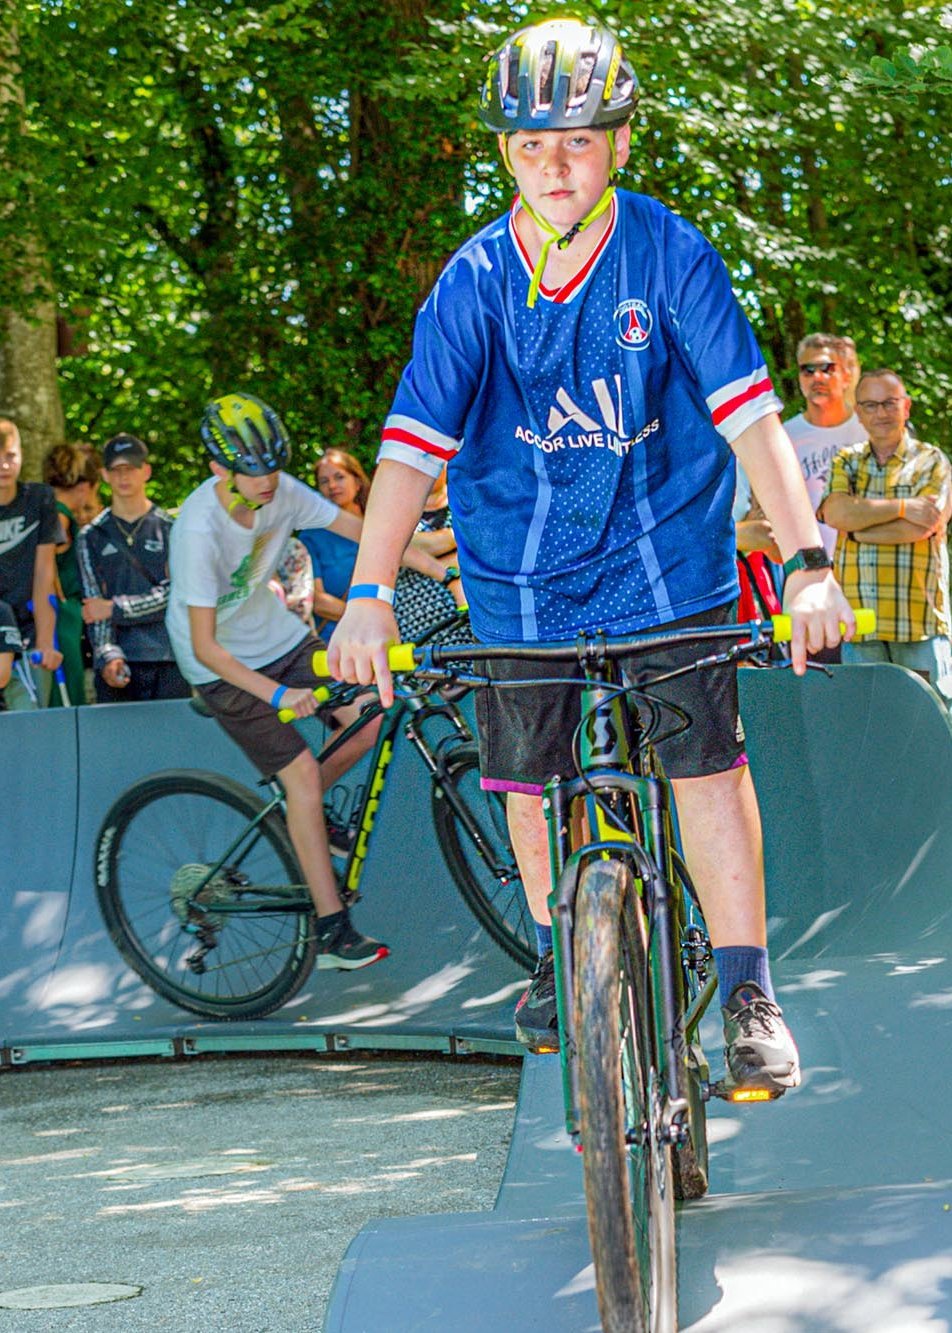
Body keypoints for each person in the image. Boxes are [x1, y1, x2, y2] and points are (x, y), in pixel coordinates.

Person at [328, 17, 856, 1096]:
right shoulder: (474, 281)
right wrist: (369, 594)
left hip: (667, 556)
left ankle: (749, 992)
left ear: (617, 141)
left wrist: (806, 562)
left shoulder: (668, 255)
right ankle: (558, 943)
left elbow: (753, 421)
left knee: (704, 768)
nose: (552, 165)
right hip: (520, 572)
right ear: (504, 152)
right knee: (526, 781)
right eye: (529, 145)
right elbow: (404, 453)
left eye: (575, 141)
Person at [165, 391, 388, 970]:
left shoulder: (284, 492)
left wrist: (442, 567)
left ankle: (300, 806)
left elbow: (366, 532)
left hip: (279, 636)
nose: (268, 481)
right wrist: (280, 696)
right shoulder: (197, 530)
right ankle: (332, 931)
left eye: (274, 467)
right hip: (218, 665)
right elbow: (207, 647)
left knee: (370, 718)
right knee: (306, 781)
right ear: (220, 469)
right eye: (253, 471)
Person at [818, 369, 952, 704]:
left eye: (889, 403)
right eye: (870, 405)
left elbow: (922, 528)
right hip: (859, 624)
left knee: (932, 722)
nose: (880, 413)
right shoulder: (846, 460)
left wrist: (857, 529)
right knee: (870, 725)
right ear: (859, 413)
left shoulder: (931, 461)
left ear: (906, 407)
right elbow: (836, 514)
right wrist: (905, 505)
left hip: (918, 622)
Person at [300, 447, 463, 638]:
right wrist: (369, 615)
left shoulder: (380, 518)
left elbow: (409, 551)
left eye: (339, 477)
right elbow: (318, 601)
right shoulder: (311, 537)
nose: (333, 485)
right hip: (345, 634)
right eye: (324, 481)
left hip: (405, 624)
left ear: (357, 481)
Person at [76, 434, 190, 703]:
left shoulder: (171, 528)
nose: (123, 477)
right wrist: (108, 655)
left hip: (171, 658)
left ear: (146, 471)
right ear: (104, 474)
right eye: (116, 470)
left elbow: (176, 595)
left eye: (131, 468)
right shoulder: (90, 535)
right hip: (119, 662)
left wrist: (116, 609)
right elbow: (94, 608)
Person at [784, 334, 867, 559]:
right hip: (806, 563)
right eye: (807, 370)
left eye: (827, 368)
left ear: (846, 375)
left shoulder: (869, 430)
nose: (816, 377)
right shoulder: (784, 436)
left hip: (864, 557)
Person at [0, 418, 63, 709]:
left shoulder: (38, 499)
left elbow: (44, 574)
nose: (4, 465)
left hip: (29, 635)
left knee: (31, 720)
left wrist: (46, 642)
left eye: (10, 456)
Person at [42, 442, 101, 705]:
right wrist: (58, 594)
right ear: (84, 486)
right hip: (62, 612)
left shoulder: (45, 507)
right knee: (67, 688)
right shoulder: (60, 513)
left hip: (60, 612)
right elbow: (44, 561)